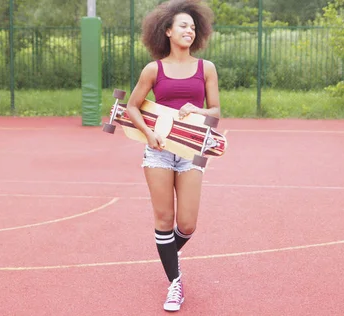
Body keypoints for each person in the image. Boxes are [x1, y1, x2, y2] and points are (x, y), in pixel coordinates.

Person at [125, 0, 220, 312]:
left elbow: (216, 111)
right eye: (182, 25)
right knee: (164, 219)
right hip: (158, 151)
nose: (189, 30)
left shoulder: (206, 68)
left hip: (193, 149)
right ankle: (175, 283)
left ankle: (168, 254)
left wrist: (199, 109)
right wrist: (148, 133)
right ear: (167, 31)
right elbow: (132, 106)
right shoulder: (154, 69)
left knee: (188, 224)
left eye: (193, 27)